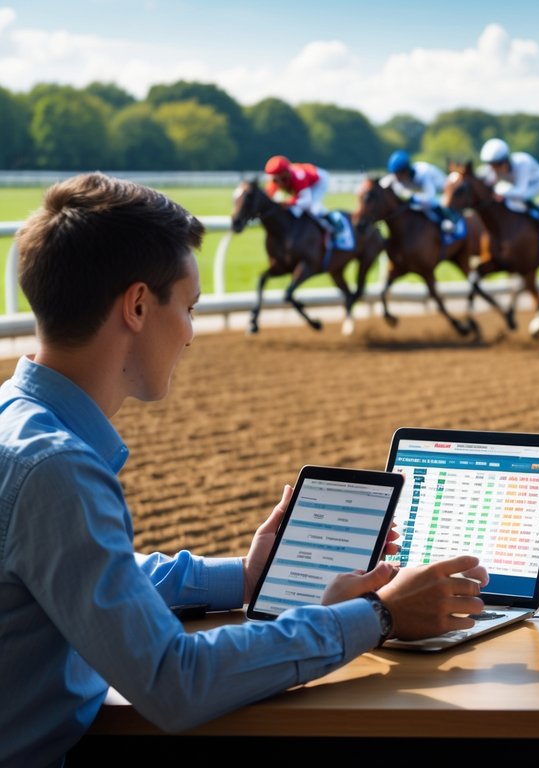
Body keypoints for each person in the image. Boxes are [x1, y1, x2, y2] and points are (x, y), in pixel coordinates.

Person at [0, 172, 490, 767]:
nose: (190, 335)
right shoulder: (60, 469)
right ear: (136, 306)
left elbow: (88, 572)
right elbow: (174, 682)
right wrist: (378, 616)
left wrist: (247, 577)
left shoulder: (17, 421)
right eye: (188, 307)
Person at [477, 137, 539, 236]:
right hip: (516, 184)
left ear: (505, 160)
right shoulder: (493, 167)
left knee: (519, 200)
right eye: (490, 165)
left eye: (496, 165)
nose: (493, 169)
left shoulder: (523, 163)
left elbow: (520, 192)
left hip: (534, 183)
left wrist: (500, 193)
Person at [384, 149, 457, 232]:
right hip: (428, 193)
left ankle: (446, 221)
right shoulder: (401, 177)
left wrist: (413, 198)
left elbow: (430, 197)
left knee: (428, 205)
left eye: (397, 174)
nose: (395, 177)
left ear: (405, 171)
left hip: (443, 191)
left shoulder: (422, 173)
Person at [264, 154, 334, 234]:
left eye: (283, 179)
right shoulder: (272, 182)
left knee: (314, 209)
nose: (280, 184)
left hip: (318, 181)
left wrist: (289, 203)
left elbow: (307, 201)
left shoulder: (298, 175)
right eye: (276, 181)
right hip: (302, 185)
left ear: (287, 172)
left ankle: (331, 227)